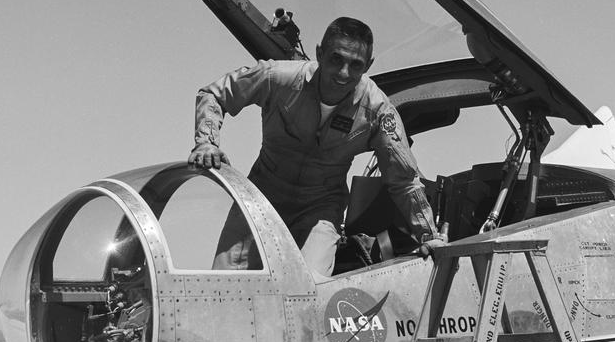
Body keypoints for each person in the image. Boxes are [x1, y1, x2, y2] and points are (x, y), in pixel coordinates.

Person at [188, 16, 445, 277]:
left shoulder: (378, 111)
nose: (344, 73)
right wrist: (206, 143)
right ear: (320, 53)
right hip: (261, 200)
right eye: (336, 59)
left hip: (320, 209)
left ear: (368, 65)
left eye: (356, 65)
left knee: (313, 287)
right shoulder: (278, 78)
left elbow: (403, 179)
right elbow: (215, 94)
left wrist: (428, 234)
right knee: (225, 282)